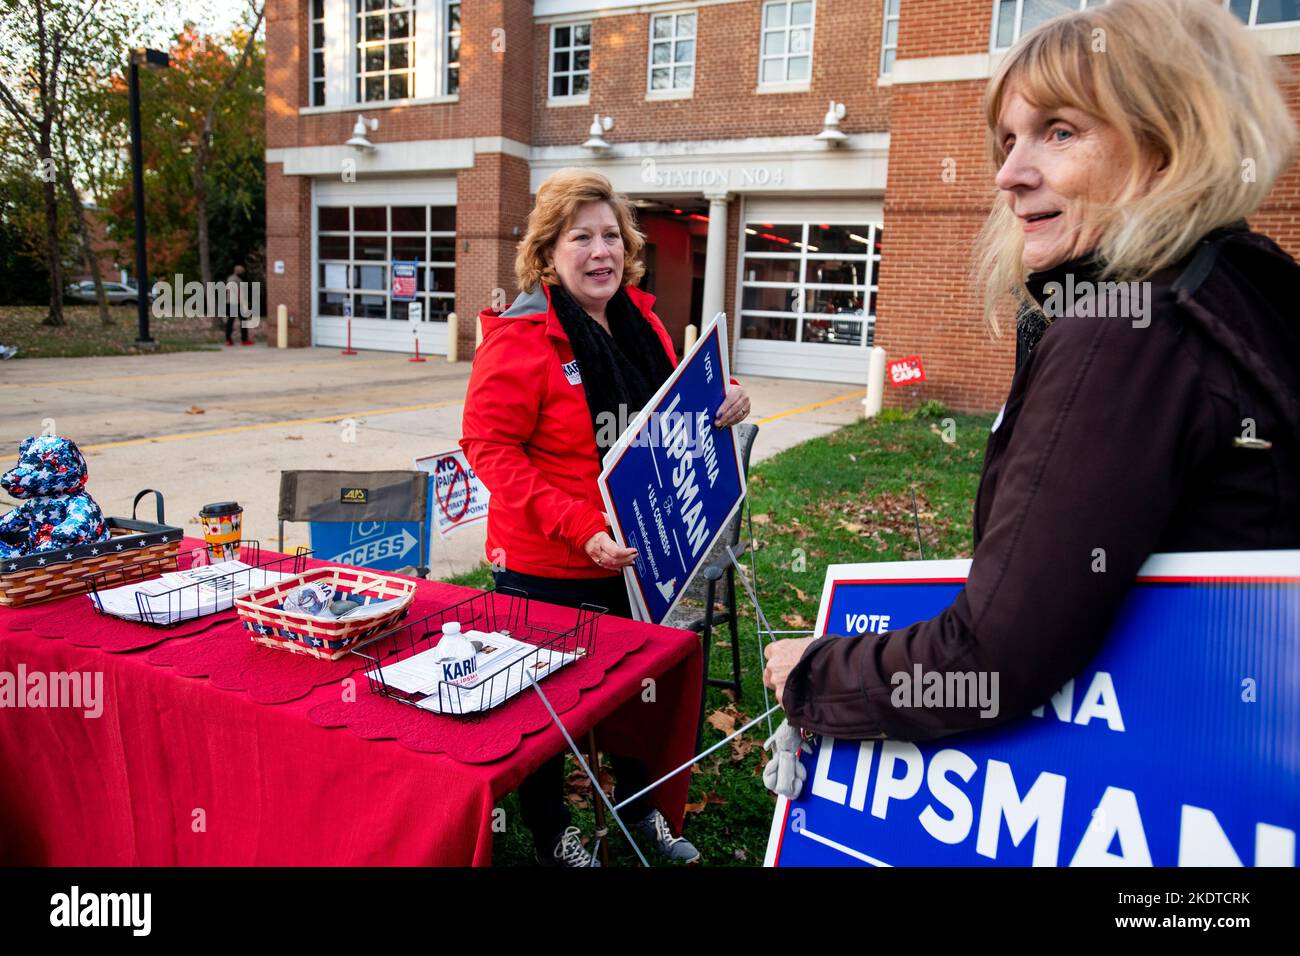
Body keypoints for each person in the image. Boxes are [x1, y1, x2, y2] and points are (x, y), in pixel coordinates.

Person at [763, 0, 1300, 740]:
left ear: (1167, 144)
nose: (1010, 175)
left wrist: (814, 674)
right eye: (1008, 141)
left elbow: (988, 660)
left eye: (1060, 132)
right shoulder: (1243, 287)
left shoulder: (1124, 329)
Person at [461, 168, 751, 865]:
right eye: (581, 237)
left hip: (636, 558)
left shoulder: (640, 320)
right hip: (549, 565)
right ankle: (552, 828)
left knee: (633, 697)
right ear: (548, 253)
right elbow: (488, 449)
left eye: (611, 236)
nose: (601, 252)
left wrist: (727, 394)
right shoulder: (520, 336)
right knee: (547, 714)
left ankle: (639, 810)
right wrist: (578, 526)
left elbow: (678, 401)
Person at [224, 264, 252, 346]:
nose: (243, 272)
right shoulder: (236, 279)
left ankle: (228, 340)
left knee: (230, 321)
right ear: (237, 271)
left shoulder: (230, 278)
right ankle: (244, 340)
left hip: (230, 302)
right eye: (242, 271)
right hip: (236, 303)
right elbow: (237, 291)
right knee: (243, 321)